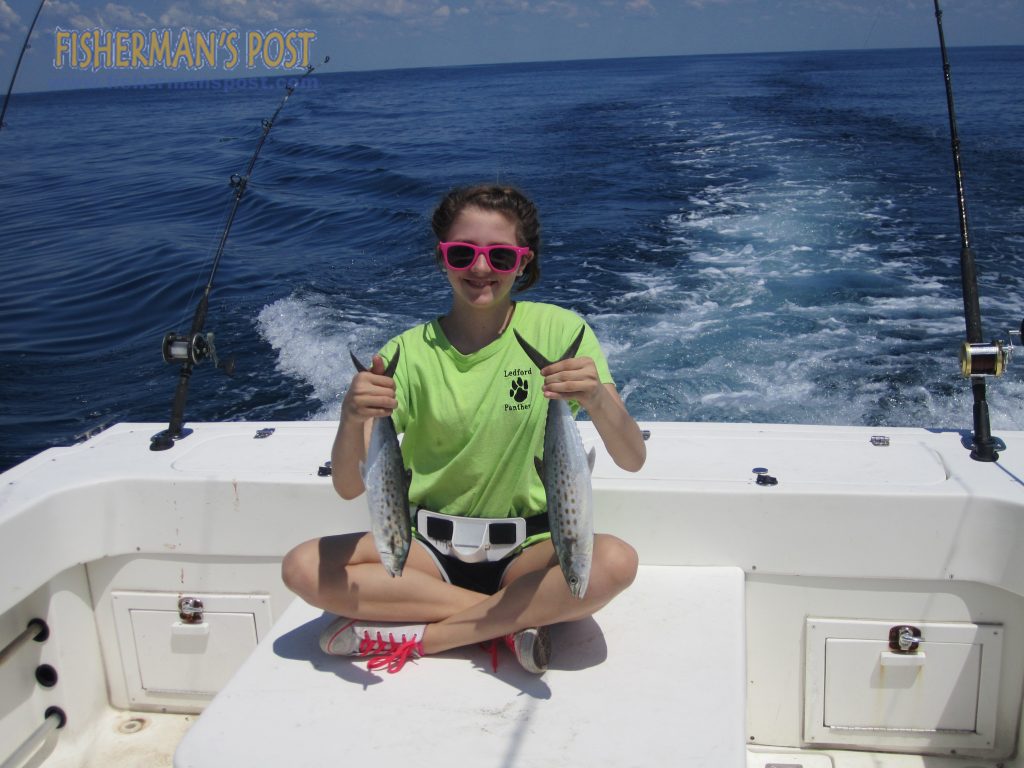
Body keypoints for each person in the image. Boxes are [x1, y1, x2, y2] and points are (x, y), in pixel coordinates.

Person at [281, 184, 646, 675]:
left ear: (522, 262)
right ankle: (510, 621)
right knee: (301, 568)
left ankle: (424, 638)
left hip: (533, 548)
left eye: (499, 256)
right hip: (423, 552)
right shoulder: (406, 353)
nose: (480, 269)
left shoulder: (563, 333)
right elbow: (350, 486)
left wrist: (596, 398)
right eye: (462, 253)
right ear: (443, 259)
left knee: (615, 563)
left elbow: (631, 457)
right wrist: (351, 418)